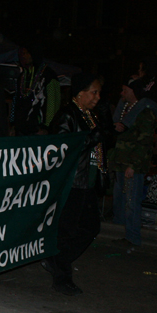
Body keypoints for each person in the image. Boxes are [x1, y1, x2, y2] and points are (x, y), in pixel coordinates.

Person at [44, 73, 107, 295]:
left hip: (86, 181)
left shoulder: (89, 115)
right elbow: (62, 150)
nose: (97, 97)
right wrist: (93, 138)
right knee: (66, 231)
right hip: (72, 182)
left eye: (99, 93)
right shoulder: (66, 115)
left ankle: (56, 260)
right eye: (94, 92)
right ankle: (61, 278)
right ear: (80, 93)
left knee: (91, 227)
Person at [108, 78, 157, 247]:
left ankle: (133, 237)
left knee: (131, 202)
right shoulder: (126, 110)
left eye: (125, 90)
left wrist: (133, 165)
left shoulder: (144, 113)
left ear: (133, 92)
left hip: (132, 165)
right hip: (121, 162)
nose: (121, 93)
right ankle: (122, 232)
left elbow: (144, 142)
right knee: (120, 200)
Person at [11, 46, 60, 136]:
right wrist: (13, 124)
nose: (23, 56)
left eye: (26, 53)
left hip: (39, 130)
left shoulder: (48, 75)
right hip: (21, 130)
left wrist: (47, 128)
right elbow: (16, 102)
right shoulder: (22, 77)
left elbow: (53, 103)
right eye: (20, 54)